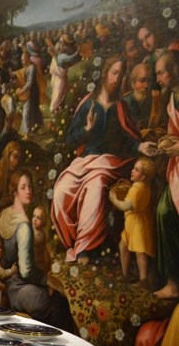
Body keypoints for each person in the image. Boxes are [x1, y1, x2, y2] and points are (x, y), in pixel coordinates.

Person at [51, 56, 156, 265]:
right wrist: (86, 129)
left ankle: (84, 248)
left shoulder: (120, 107)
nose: (117, 79)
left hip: (110, 163)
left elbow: (128, 140)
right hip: (85, 161)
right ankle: (72, 242)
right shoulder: (88, 103)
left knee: (96, 185)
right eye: (114, 73)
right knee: (61, 190)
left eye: (121, 74)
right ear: (106, 73)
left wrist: (140, 146)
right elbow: (70, 139)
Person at [0, 170, 78, 333]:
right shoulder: (24, 226)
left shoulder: (5, 215)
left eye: (30, 186)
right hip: (20, 291)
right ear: (14, 192)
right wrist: (46, 279)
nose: (28, 191)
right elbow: (26, 271)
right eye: (23, 187)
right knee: (58, 302)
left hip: (11, 286)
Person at [153, 51, 179, 299]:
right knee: (163, 211)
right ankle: (173, 282)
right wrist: (166, 143)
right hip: (177, 170)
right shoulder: (172, 98)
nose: (158, 79)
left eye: (161, 72)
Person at [109, 157, 156, 284]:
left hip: (137, 224)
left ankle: (143, 280)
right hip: (132, 223)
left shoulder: (136, 189)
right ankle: (126, 275)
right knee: (123, 246)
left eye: (137, 170)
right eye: (134, 168)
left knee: (140, 252)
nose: (132, 171)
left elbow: (126, 206)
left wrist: (114, 200)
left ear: (143, 177)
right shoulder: (143, 187)